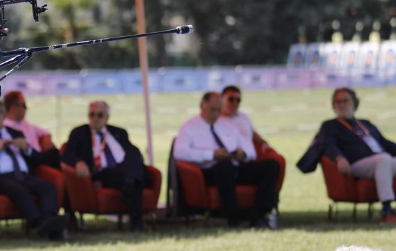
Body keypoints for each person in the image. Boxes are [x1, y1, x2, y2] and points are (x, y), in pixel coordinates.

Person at [317, 87, 396, 225]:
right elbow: (327, 144)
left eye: (345, 101)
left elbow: (387, 144)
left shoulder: (365, 124)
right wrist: (339, 158)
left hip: (384, 162)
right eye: (338, 102)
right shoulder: (330, 125)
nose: (341, 105)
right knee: (383, 159)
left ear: (355, 102)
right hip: (357, 165)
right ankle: (387, 212)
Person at [173, 92, 279, 228]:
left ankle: (259, 215)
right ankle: (233, 217)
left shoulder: (227, 126)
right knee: (224, 166)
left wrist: (243, 154)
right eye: (213, 109)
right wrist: (211, 154)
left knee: (271, 166)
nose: (216, 113)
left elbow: (250, 150)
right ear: (202, 106)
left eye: (219, 110)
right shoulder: (189, 127)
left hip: (235, 167)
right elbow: (179, 152)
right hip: (209, 170)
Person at [0, 101, 67, 240]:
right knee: (19, 190)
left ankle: (50, 222)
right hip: (0, 178)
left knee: (48, 187)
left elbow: (38, 160)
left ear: (4, 115)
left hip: (24, 175)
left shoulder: (16, 133)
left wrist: (27, 149)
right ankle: (39, 223)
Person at [62, 100, 150, 231]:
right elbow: (67, 154)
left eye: (99, 115)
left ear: (107, 118)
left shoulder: (119, 132)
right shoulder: (79, 133)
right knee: (136, 178)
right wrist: (78, 162)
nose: (95, 118)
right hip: (100, 174)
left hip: (122, 171)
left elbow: (132, 156)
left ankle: (130, 184)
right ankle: (136, 220)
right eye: (92, 115)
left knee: (134, 152)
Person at [2, 90, 61, 167]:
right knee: (55, 154)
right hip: (29, 160)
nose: (26, 109)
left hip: (37, 156)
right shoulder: (6, 128)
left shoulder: (23, 122)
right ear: (14, 108)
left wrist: (46, 137)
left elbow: (43, 131)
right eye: (24, 105)